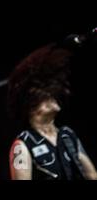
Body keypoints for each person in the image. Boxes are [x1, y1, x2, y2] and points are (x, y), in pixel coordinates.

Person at [8, 44, 97, 180]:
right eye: (47, 93)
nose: (54, 95)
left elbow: (92, 175)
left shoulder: (68, 135)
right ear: (32, 102)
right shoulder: (22, 145)